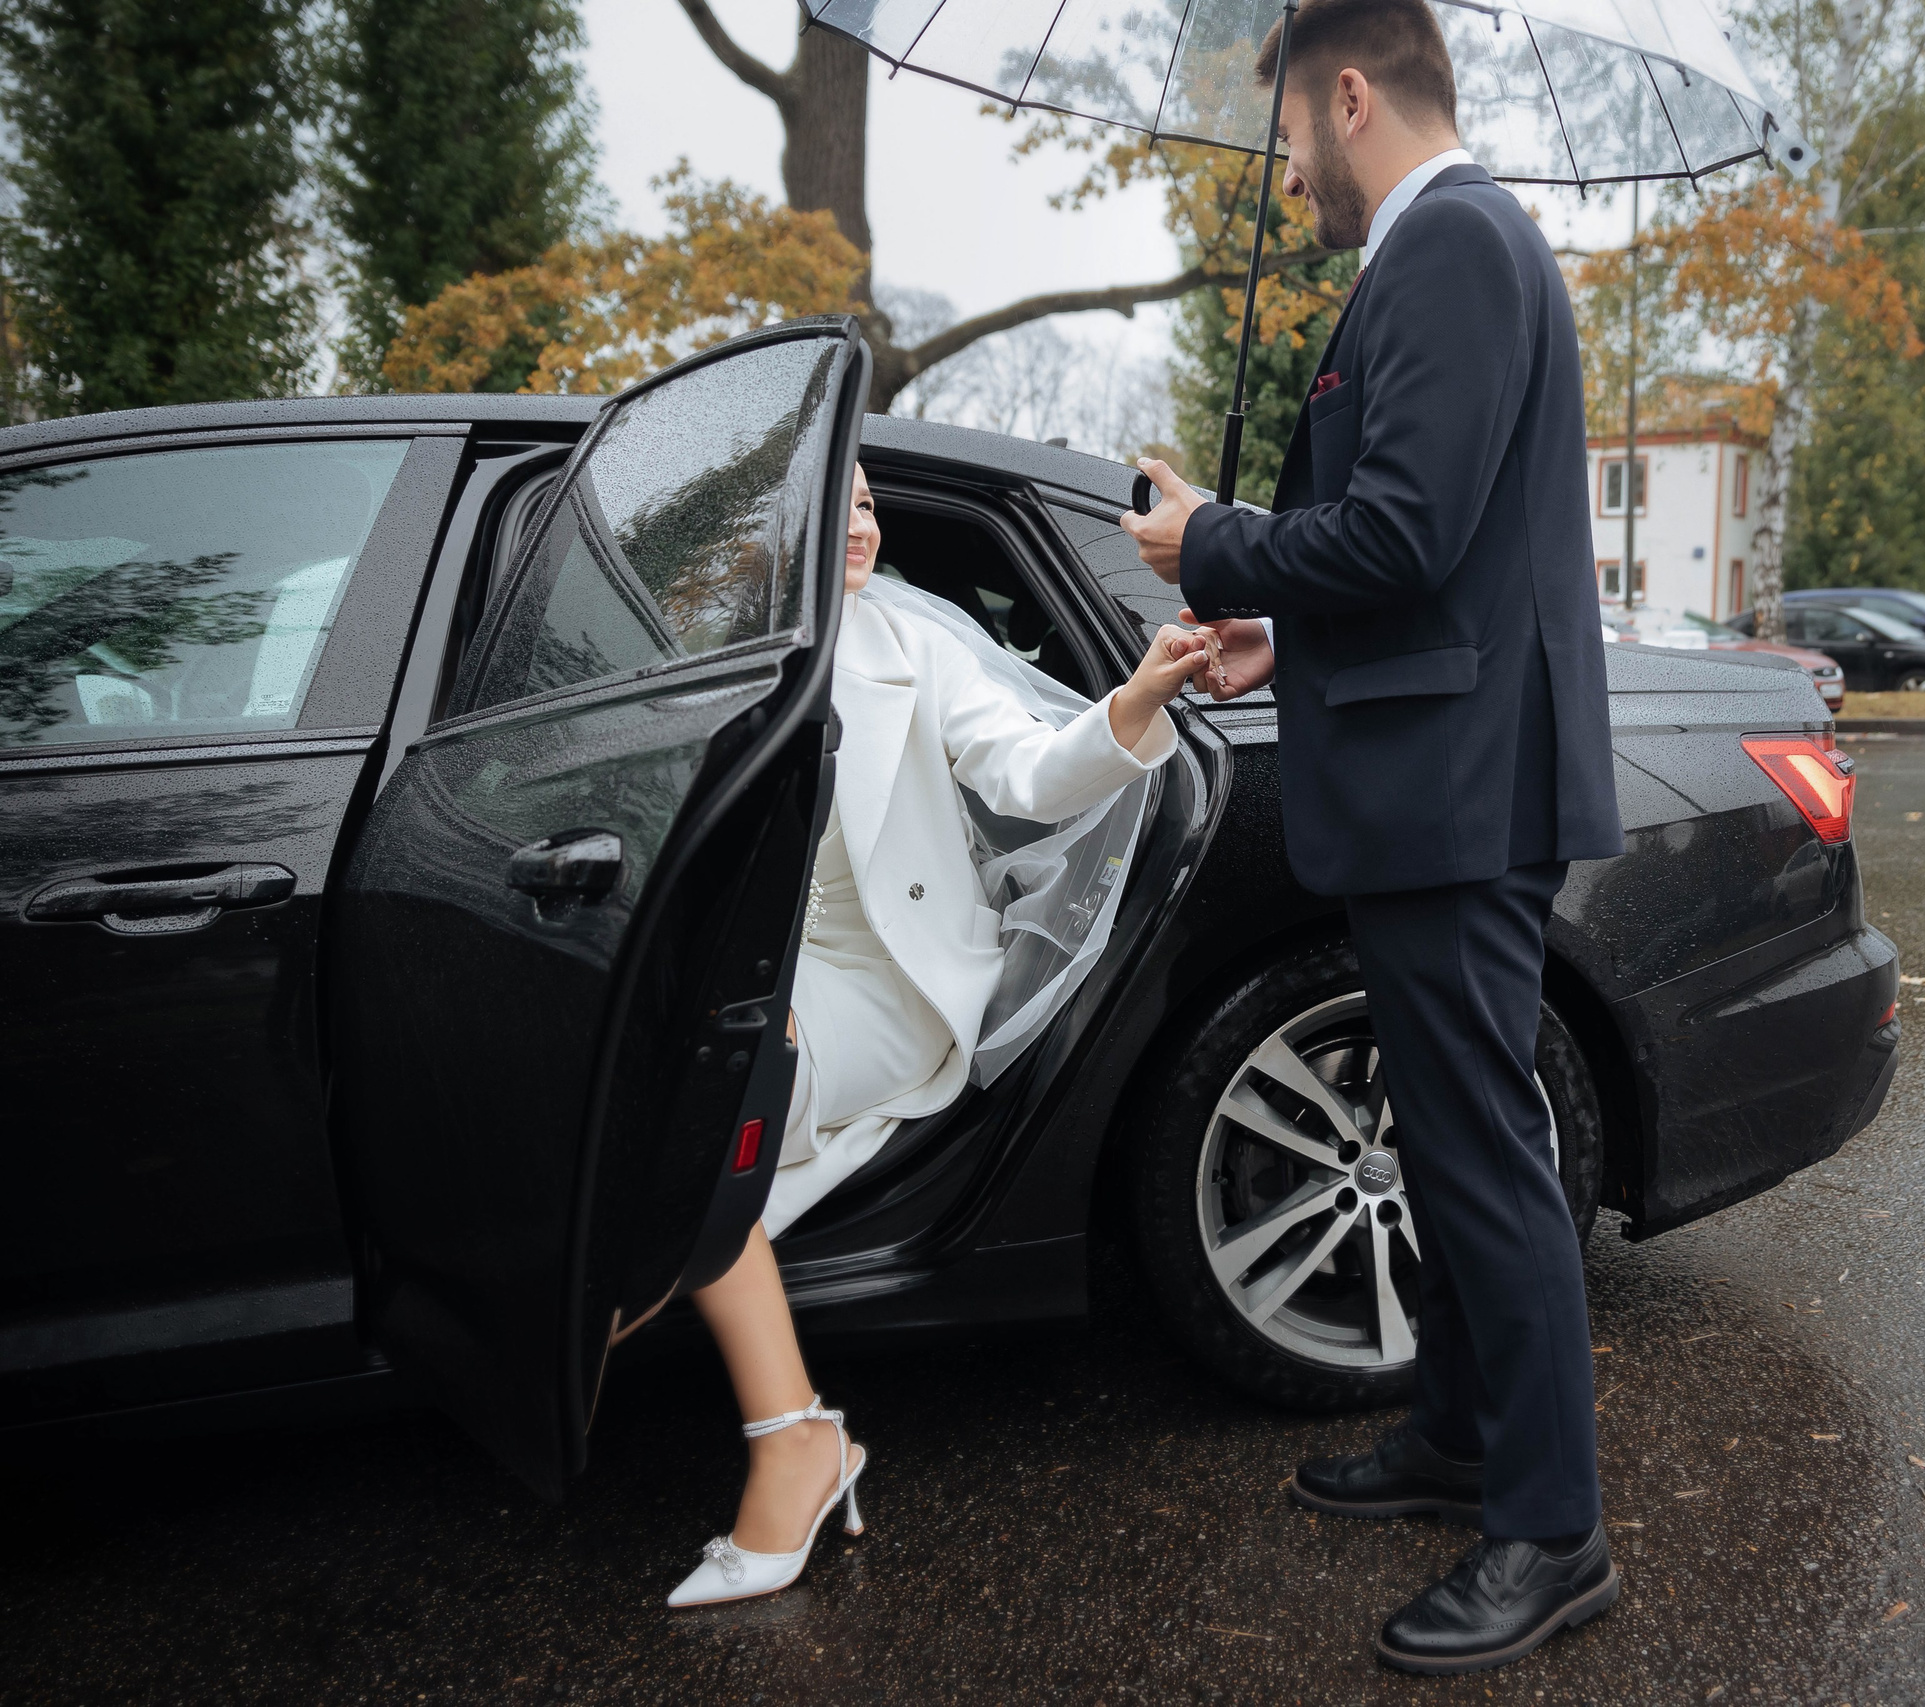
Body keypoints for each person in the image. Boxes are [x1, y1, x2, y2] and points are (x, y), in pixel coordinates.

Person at [1120, 0, 1624, 1676]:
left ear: (1349, 97)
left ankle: (1552, 1531)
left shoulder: (1456, 247)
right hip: (1440, 771)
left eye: (1283, 137)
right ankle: (1464, 1434)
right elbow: (1439, 560)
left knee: (1484, 1153)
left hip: (1459, 798)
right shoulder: (1442, 252)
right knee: (1448, 1130)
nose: (1284, 176)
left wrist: (1213, 542)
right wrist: (1284, 630)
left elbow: (1403, 526)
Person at [666, 464, 1218, 1608]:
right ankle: (800, 1441)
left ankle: (791, 1448)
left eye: (868, 503)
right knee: (643, 1194)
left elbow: (1028, 773)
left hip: (880, 979)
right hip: (740, 980)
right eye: (833, 500)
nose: (860, 522)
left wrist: (1138, 699)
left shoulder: (912, 648)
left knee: (689, 1138)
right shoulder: (691, 667)